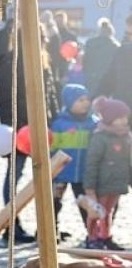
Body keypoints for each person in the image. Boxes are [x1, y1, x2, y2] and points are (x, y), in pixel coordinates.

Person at [83, 98, 131, 250]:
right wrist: (90, 187)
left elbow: (127, 162)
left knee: (109, 212)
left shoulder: (125, 137)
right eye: (120, 118)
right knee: (97, 212)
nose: (124, 121)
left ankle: (105, 236)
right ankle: (92, 238)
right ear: (110, 118)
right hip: (102, 184)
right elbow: (92, 164)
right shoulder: (100, 138)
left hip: (116, 183)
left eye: (125, 117)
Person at [51, 83, 98, 235]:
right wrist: (52, 169)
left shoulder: (93, 123)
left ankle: (92, 234)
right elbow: (52, 148)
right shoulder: (59, 124)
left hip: (83, 173)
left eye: (87, 99)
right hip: (61, 171)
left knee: (86, 204)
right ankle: (50, 231)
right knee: (54, 202)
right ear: (69, 102)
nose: (86, 103)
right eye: (80, 100)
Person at [84, 18, 120, 97]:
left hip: (91, 76)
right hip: (107, 79)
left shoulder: (90, 43)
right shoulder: (115, 45)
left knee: (90, 97)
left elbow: (85, 61)